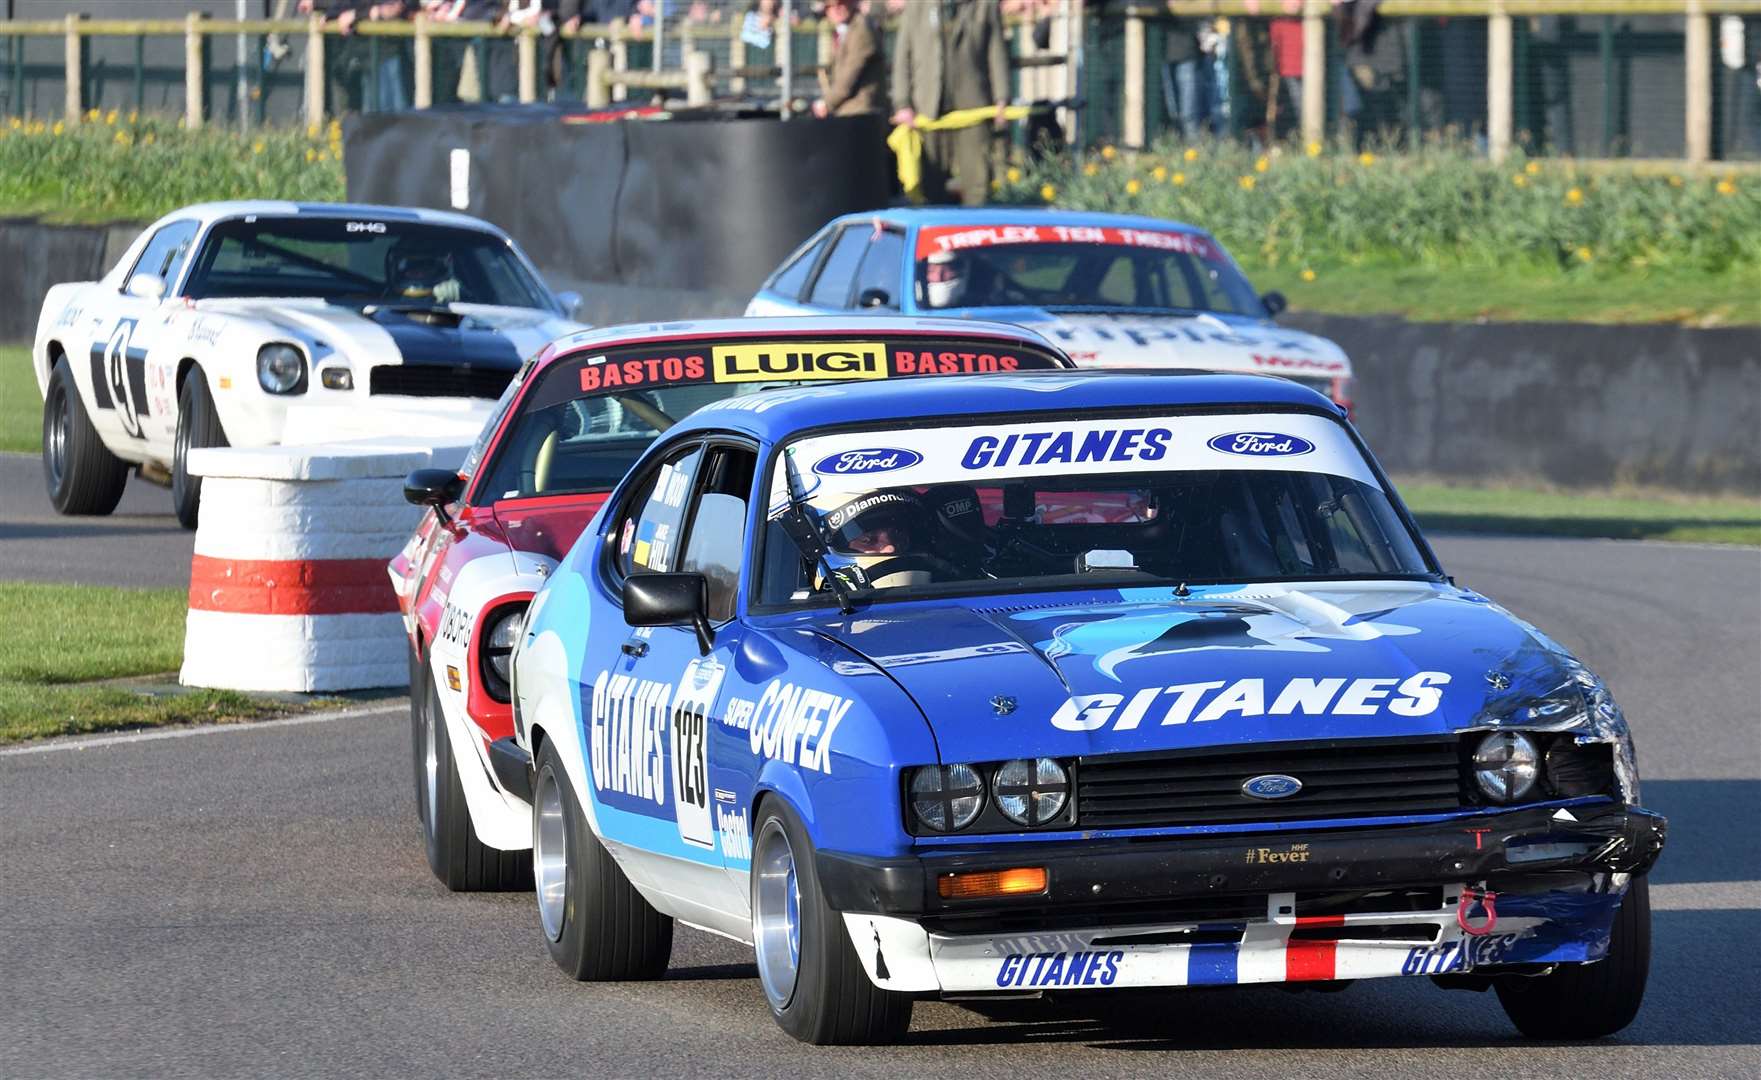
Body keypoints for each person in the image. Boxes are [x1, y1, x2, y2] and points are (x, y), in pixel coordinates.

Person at [890, 0, 1011, 206]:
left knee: (977, 183)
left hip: (973, 109)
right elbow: (902, 59)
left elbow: (996, 54)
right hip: (927, 111)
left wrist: (1002, 98)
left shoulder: (984, 6)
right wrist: (903, 104)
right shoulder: (917, 8)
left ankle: (976, 230)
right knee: (931, 183)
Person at [813, 0, 885, 118]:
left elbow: (849, 76)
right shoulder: (845, 30)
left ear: (852, 3)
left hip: (861, 113)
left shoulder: (861, 29)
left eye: (841, 3)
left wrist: (827, 103)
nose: (836, 9)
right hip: (849, 111)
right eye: (830, 6)